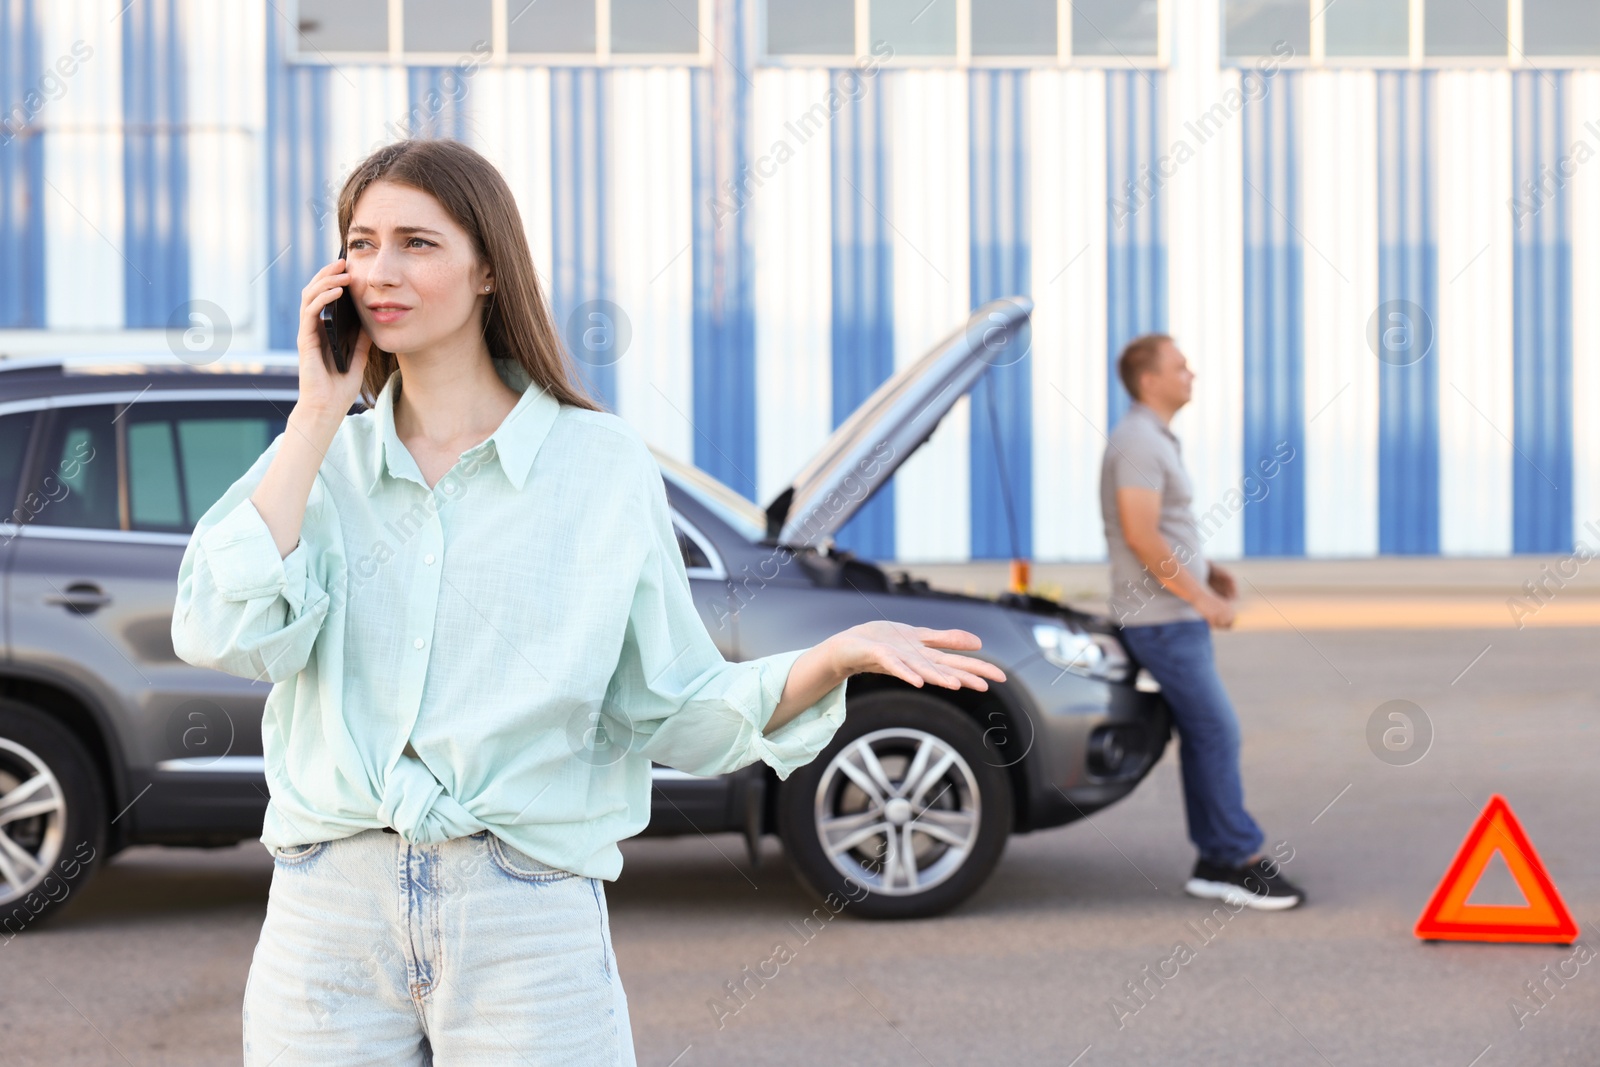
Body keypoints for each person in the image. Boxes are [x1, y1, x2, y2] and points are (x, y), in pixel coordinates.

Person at [171, 138, 1007, 1066]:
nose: (380, 271)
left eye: (417, 242)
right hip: (328, 910)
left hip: (524, 913)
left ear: (490, 267)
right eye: (360, 243)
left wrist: (836, 655)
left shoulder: (601, 465)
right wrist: (317, 414)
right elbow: (220, 630)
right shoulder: (322, 460)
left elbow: (673, 706)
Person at [1098, 333, 1303, 911]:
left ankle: (1219, 855)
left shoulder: (1153, 439)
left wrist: (1205, 570)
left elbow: (1163, 526)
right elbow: (1140, 534)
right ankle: (1231, 859)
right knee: (1217, 730)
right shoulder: (1138, 440)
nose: (1192, 375)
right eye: (1180, 367)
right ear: (1148, 380)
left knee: (1204, 732)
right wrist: (1203, 600)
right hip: (1161, 618)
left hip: (1172, 611)